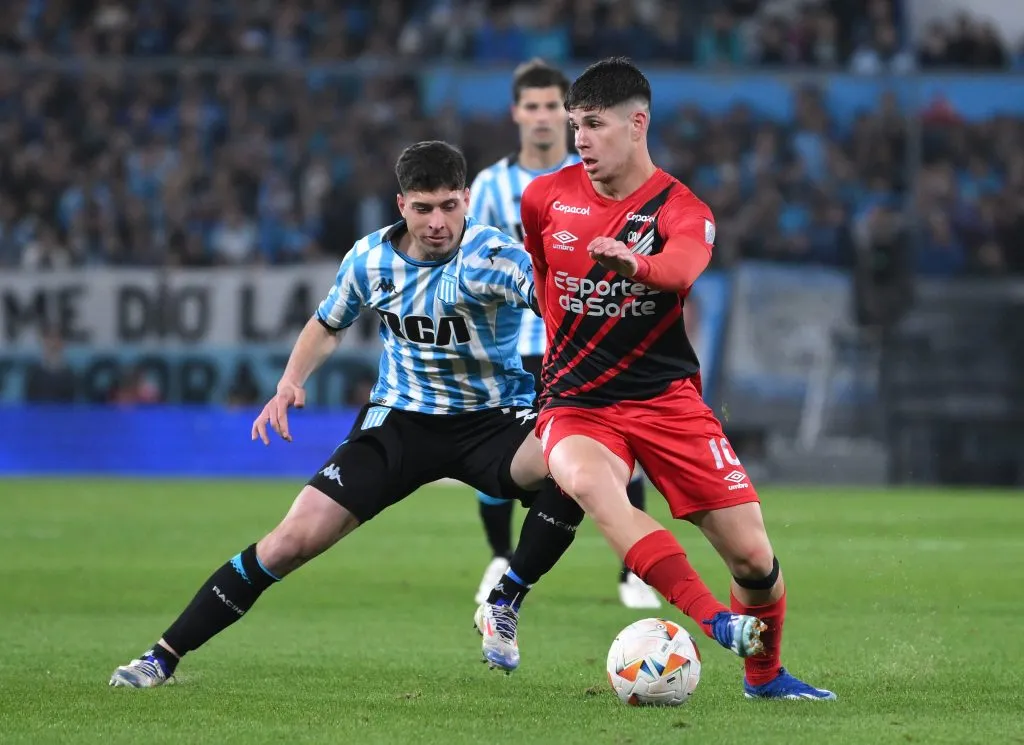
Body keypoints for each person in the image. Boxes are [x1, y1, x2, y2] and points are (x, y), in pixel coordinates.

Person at [109, 141, 586, 688]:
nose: (437, 222)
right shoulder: (369, 258)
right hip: (399, 423)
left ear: (467, 200)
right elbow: (327, 323)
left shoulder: (497, 256)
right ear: (401, 204)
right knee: (289, 543)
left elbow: (562, 310)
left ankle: (505, 598)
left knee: (574, 464)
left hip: (492, 420)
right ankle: (161, 656)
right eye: (423, 208)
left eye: (449, 207)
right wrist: (290, 381)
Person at [474, 59, 836, 701]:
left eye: (594, 125)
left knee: (753, 559)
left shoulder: (681, 207)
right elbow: (541, 272)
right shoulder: (543, 198)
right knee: (588, 483)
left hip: (667, 401)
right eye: (574, 125)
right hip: (576, 401)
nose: (580, 139)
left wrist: (634, 264)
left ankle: (765, 678)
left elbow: (682, 268)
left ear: (637, 123)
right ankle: (715, 622)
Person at [467, 58, 659, 610]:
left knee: (619, 449)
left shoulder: (600, 174)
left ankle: (633, 572)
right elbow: (470, 257)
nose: (545, 117)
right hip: (515, 344)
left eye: (555, 106)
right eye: (534, 106)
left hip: (589, 337)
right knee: (506, 454)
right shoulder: (491, 186)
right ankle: (502, 558)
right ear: (516, 114)